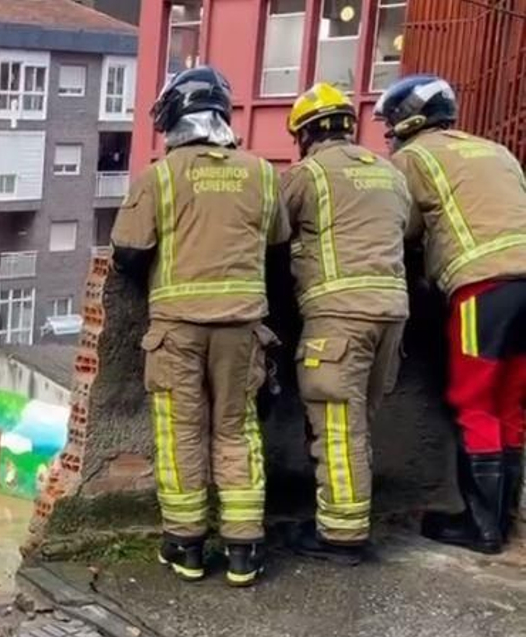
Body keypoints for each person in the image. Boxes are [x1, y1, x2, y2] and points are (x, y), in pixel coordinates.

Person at [111, 66, 290, 586]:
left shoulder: (160, 178)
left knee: (181, 434)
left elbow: (127, 254)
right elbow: (277, 246)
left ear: (172, 119)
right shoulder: (261, 173)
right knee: (237, 430)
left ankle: (185, 546)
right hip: (242, 329)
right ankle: (243, 550)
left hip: (176, 332)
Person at [377, 75, 526, 554]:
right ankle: (501, 523)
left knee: (476, 402)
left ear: (407, 120)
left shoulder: (413, 159)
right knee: (511, 406)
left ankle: (479, 528)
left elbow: (403, 230)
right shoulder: (497, 151)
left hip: (483, 288)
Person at [281, 82, 413, 565]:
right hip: (392, 315)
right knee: (359, 424)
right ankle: (344, 518)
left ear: (305, 133)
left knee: (338, 427)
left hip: (338, 317)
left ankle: (341, 536)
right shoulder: (390, 173)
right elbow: (409, 230)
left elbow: (273, 232)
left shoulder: (307, 174)